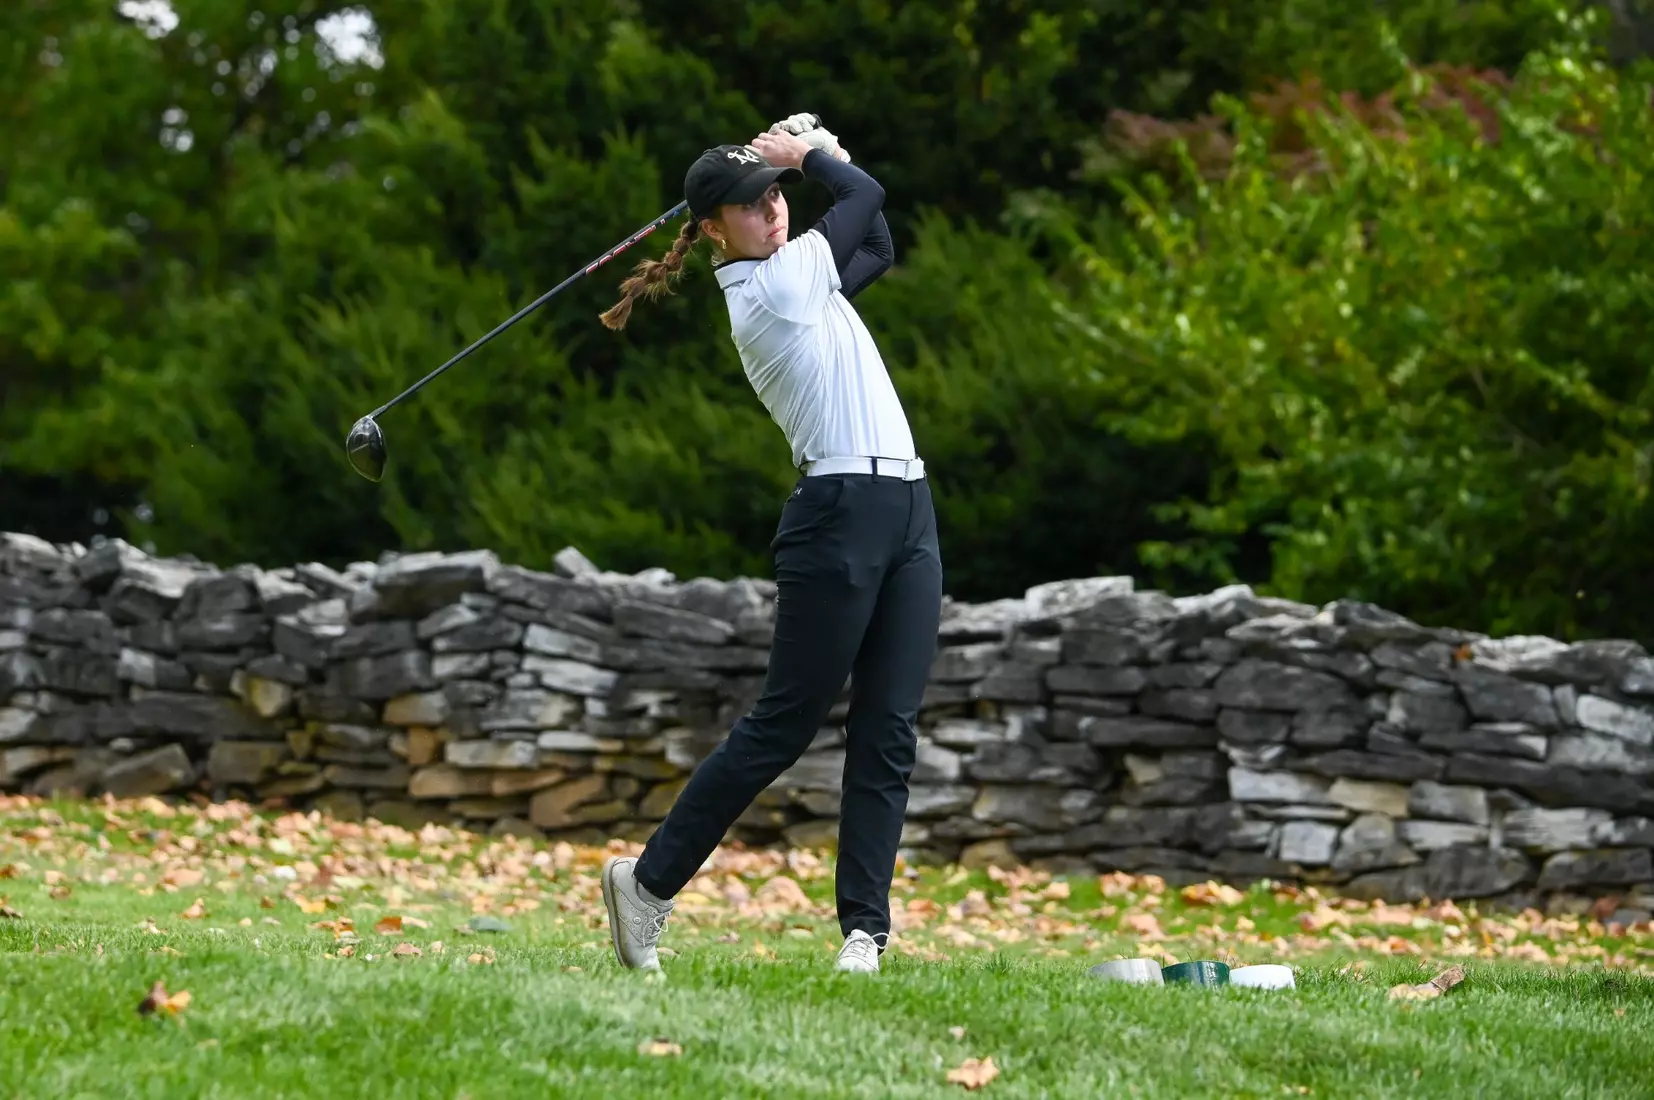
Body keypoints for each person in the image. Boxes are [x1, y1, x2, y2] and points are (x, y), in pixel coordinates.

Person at [595, 115, 943, 974]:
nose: (775, 209)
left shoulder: (804, 277)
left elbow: (879, 244)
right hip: (837, 514)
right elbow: (865, 197)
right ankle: (646, 885)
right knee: (783, 725)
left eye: (778, 194)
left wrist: (822, 157)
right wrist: (814, 154)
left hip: (907, 507)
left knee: (888, 730)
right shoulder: (773, 292)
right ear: (715, 229)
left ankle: (866, 932)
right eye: (754, 204)